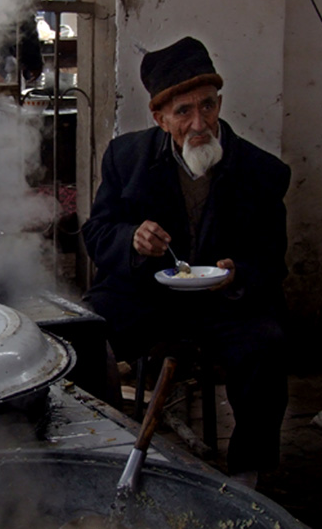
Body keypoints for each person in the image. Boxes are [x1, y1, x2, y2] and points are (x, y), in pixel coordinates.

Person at [82, 36, 291, 486]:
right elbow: (96, 234)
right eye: (183, 112)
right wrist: (131, 240)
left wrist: (238, 276)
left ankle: (248, 474)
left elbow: (272, 263)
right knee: (86, 329)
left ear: (219, 104)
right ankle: (103, 452)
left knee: (267, 342)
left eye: (209, 106)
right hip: (148, 298)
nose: (201, 124)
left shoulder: (262, 173)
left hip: (225, 306)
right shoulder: (126, 158)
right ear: (159, 118)